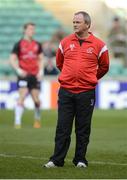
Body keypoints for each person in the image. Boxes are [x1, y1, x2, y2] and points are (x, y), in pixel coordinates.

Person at [44, 11, 109, 168]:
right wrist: (69, 75)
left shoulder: (99, 45)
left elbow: (104, 67)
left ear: (87, 25)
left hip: (86, 92)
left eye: (78, 22)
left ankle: (80, 160)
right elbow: (60, 63)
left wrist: (89, 78)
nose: (74, 24)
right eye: (73, 22)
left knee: (83, 128)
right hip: (66, 91)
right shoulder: (65, 42)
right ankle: (56, 160)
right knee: (62, 128)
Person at [10, 22, 43, 129]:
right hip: (24, 75)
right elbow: (12, 59)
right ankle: (17, 121)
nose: (32, 31)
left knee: (36, 99)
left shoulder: (37, 44)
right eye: (30, 29)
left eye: (33, 29)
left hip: (34, 75)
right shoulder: (18, 44)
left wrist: (41, 71)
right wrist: (18, 69)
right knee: (22, 96)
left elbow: (41, 59)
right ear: (24, 30)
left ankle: (37, 119)